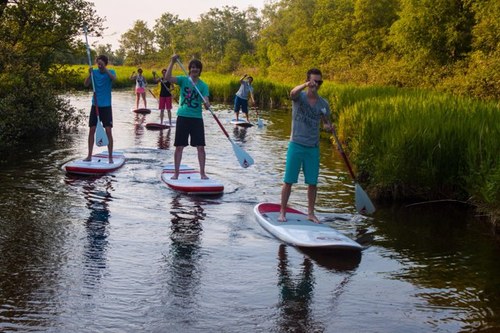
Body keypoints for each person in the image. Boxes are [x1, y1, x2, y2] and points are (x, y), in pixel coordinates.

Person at [278, 68, 331, 223]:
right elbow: (292, 93)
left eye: (319, 82)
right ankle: (282, 212)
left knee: (312, 183)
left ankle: (310, 213)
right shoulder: (299, 97)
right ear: (308, 81)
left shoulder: (323, 104)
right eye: (314, 81)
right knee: (288, 181)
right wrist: (305, 85)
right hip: (296, 144)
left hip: (313, 147)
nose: (317, 85)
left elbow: (326, 123)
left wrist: (329, 127)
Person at [164, 54, 210, 180]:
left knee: (200, 147)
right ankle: (176, 173)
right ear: (190, 69)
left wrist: (207, 104)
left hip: (197, 119)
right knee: (179, 147)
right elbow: (167, 78)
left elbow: (206, 101)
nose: (195, 69)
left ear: (200, 70)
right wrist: (172, 62)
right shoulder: (184, 80)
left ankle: (202, 173)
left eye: (197, 68)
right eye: (193, 67)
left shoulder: (203, 86)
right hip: (183, 117)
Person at [83, 54, 117, 163]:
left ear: (105, 64)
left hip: (106, 106)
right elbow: (86, 84)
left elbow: (114, 79)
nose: (99, 65)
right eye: (98, 63)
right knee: (92, 129)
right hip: (95, 105)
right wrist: (90, 74)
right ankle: (89, 155)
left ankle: (110, 157)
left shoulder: (110, 72)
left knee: (108, 130)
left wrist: (105, 69)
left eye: (101, 63)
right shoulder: (94, 73)